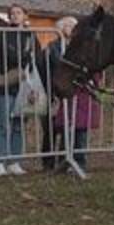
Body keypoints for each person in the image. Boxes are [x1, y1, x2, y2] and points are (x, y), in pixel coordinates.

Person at [0, 4, 36, 176]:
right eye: (12, 13)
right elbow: (0, 57)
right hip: (5, 84)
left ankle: (15, 161)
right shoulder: (2, 34)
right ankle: (0, 162)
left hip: (24, 86)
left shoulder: (31, 36)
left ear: (25, 15)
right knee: (3, 123)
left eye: (19, 12)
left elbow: (35, 58)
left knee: (19, 125)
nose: (15, 15)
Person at [37, 16, 76, 170]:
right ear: (61, 28)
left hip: (70, 91)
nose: (71, 28)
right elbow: (47, 68)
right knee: (50, 128)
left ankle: (64, 159)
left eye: (73, 25)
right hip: (53, 91)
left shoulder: (76, 47)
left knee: (68, 126)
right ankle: (48, 161)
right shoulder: (52, 47)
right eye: (68, 25)